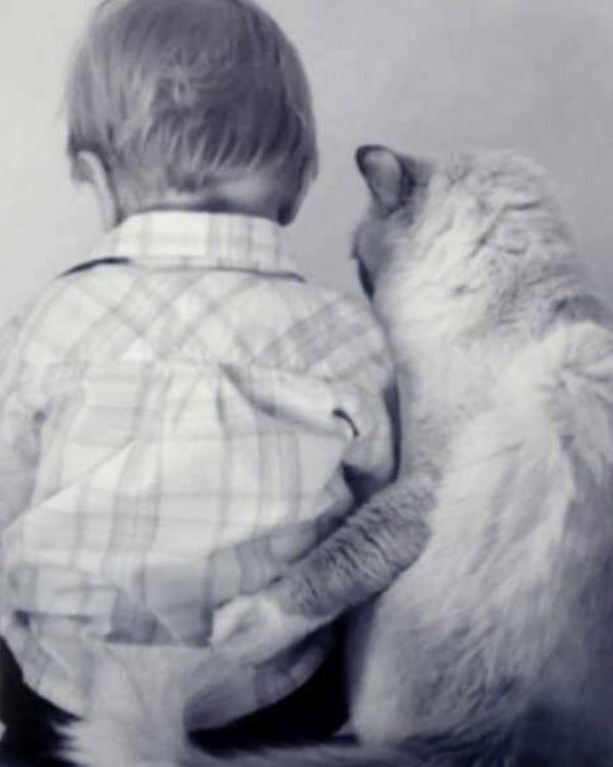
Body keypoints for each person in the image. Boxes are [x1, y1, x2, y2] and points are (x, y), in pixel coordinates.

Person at [0, 0, 395, 763]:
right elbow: (384, 510)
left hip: (66, 694)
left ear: (95, 178)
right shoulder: (349, 335)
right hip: (266, 694)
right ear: (299, 181)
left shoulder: (46, 322)